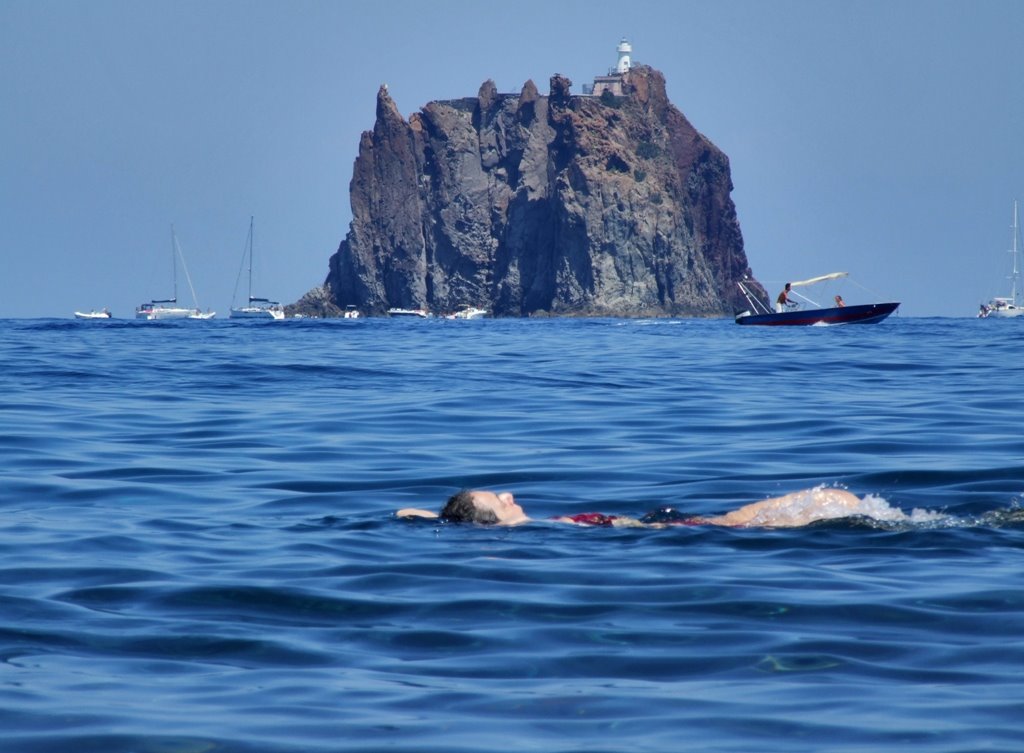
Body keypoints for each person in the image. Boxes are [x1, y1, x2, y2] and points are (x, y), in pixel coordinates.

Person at [397, 486, 908, 528]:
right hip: (685, 531)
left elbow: (407, 513)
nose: (509, 495)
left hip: (669, 526)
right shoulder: (534, 534)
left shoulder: (539, 528)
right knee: (829, 502)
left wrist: (439, 516)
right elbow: (407, 514)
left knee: (833, 500)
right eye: (499, 502)